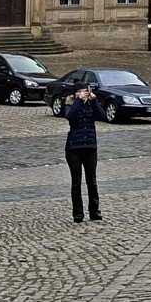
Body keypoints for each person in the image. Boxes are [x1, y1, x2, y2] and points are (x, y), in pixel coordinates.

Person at [62, 81, 102, 223]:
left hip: (90, 148)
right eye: (79, 91)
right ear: (74, 94)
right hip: (74, 149)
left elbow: (102, 115)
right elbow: (70, 117)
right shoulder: (70, 105)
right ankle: (78, 213)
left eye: (84, 91)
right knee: (76, 182)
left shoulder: (91, 104)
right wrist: (78, 101)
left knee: (92, 181)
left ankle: (94, 211)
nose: (82, 94)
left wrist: (94, 100)